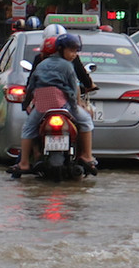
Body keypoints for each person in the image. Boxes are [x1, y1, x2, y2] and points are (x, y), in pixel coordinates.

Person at [11, 32, 98, 175]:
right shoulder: (68, 66)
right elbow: (73, 89)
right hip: (63, 104)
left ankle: (24, 163)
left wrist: (26, 104)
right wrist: (76, 105)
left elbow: (31, 86)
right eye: (71, 51)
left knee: (28, 128)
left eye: (75, 51)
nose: (74, 55)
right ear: (60, 49)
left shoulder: (41, 64)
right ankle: (87, 156)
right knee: (86, 121)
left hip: (42, 105)